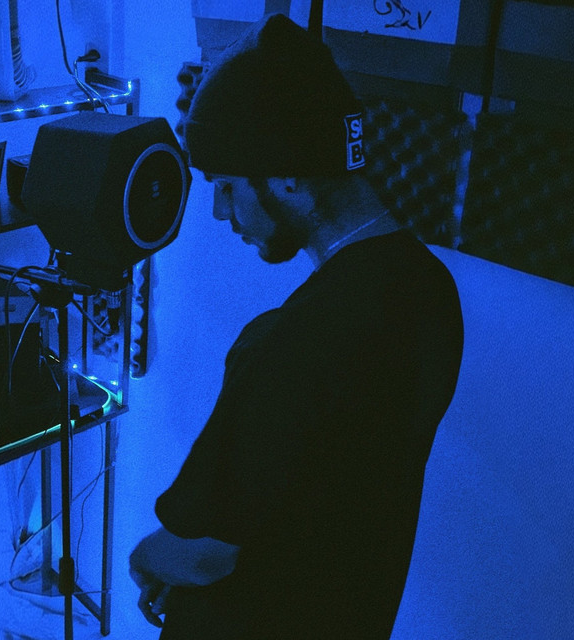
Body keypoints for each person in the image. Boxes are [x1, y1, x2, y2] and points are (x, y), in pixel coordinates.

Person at [129, 13, 463, 639]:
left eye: (226, 186)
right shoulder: (430, 290)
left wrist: (144, 556)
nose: (219, 211)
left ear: (287, 175)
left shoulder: (292, 342)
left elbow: (202, 555)